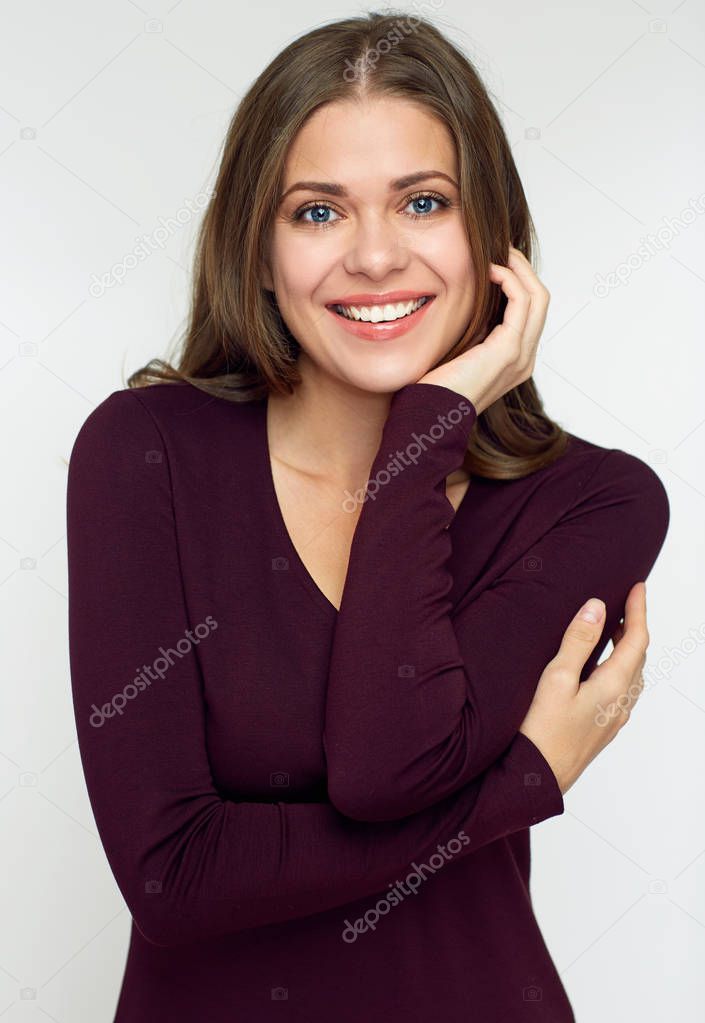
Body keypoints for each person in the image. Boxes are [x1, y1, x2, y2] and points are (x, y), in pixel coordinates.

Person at [66, 11, 670, 1022]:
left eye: (424, 202)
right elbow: (174, 877)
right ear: (256, 253)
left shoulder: (594, 502)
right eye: (318, 213)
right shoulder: (146, 452)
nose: (378, 257)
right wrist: (519, 786)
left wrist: (426, 428)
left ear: (493, 237)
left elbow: (389, 768)